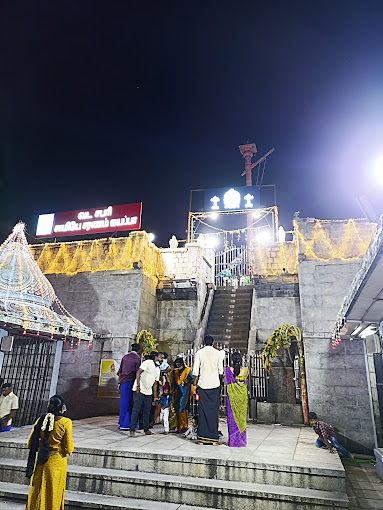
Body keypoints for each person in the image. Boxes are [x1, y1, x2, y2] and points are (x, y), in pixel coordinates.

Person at [25, 395, 73, 510]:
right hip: (56, 463)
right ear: (61, 408)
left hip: (40, 461)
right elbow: (68, 448)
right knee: (53, 492)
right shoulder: (66, 422)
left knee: (38, 490)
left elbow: (30, 443)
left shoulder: (41, 420)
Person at [193, 335, 224, 445]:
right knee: (214, 411)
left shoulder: (199, 352)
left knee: (202, 411)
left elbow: (195, 372)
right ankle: (214, 439)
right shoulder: (218, 353)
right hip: (214, 384)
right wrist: (219, 381)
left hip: (203, 384)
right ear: (213, 342)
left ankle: (201, 438)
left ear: (203, 342)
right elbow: (221, 371)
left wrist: (195, 385)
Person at [129, 351, 160, 437]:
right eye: (160, 357)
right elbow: (138, 372)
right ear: (155, 357)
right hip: (140, 389)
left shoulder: (157, 369)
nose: (161, 360)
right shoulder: (148, 362)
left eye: (163, 358)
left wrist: (155, 396)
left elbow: (155, 383)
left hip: (148, 391)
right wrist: (138, 386)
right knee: (136, 409)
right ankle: (132, 430)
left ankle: (146, 429)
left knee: (147, 411)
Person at [225, 352, 248, 447]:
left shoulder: (228, 370)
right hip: (242, 395)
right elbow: (244, 382)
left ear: (231, 360)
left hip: (232, 395)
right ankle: (241, 440)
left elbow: (227, 382)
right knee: (241, 417)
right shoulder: (245, 370)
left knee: (232, 417)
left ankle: (233, 441)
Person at [117, 342, 141, 431]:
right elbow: (138, 372)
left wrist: (119, 383)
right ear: (138, 350)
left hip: (123, 382)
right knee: (130, 403)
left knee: (123, 403)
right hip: (131, 382)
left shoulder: (125, 357)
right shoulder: (137, 359)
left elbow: (120, 371)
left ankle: (121, 422)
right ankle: (127, 424)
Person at [173, 357, 194, 433]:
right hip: (178, 391)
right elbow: (175, 382)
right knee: (177, 407)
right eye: (177, 364)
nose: (178, 365)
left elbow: (192, 379)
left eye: (179, 364)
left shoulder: (188, 370)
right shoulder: (176, 372)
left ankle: (184, 426)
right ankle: (179, 426)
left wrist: (186, 381)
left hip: (185, 391)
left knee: (183, 407)